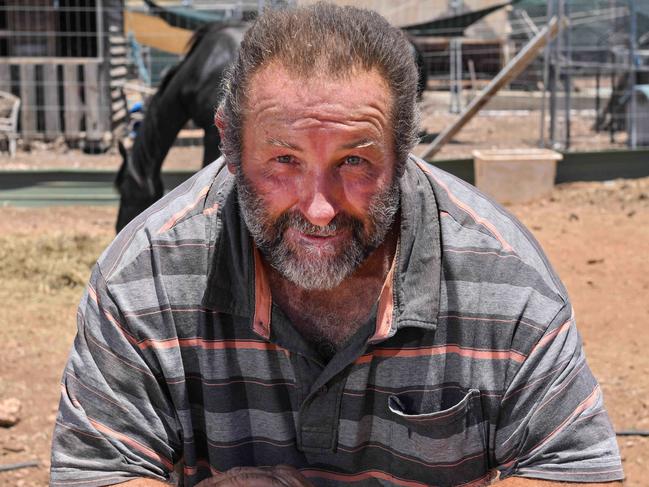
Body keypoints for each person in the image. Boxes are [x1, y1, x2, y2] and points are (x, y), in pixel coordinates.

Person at [50, 3, 624, 486]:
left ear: (403, 152)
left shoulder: (509, 283)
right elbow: (98, 469)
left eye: (355, 161)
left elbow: (571, 469)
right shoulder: (141, 280)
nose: (319, 208)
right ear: (227, 144)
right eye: (283, 160)